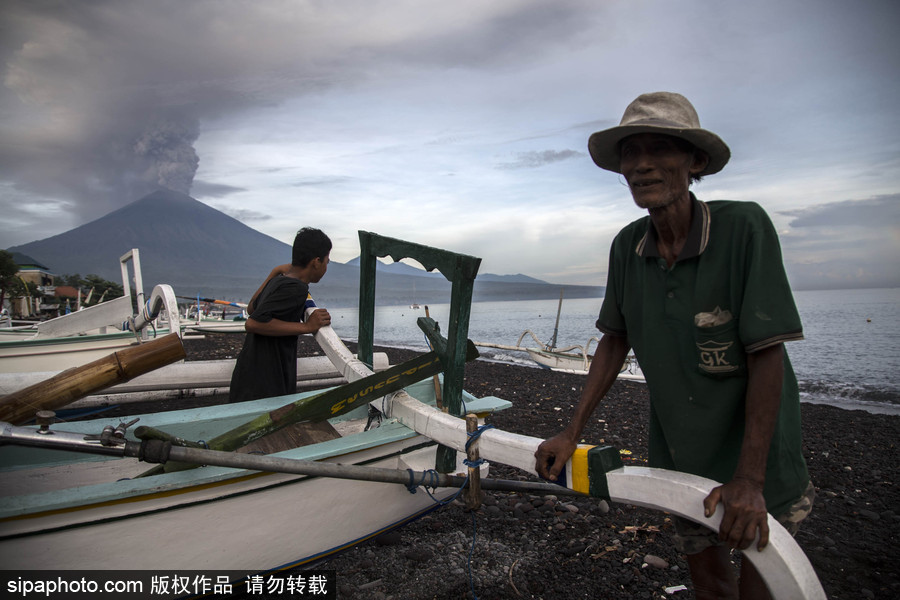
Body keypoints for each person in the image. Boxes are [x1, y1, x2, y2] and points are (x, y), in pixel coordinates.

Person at [534, 92, 813, 599]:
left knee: (764, 587)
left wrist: (750, 479)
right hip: (681, 451)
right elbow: (614, 342)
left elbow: (767, 352)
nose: (641, 165)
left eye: (659, 149)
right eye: (630, 152)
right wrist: (570, 432)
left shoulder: (744, 228)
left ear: (695, 161)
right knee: (708, 585)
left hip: (760, 460)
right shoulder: (627, 245)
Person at [229, 227, 332, 403]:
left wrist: (274, 272)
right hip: (265, 382)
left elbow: (252, 308)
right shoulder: (295, 288)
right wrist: (306, 326)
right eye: (326, 262)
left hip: (249, 375)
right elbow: (253, 323)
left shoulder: (280, 281)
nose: (326, 267)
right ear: (316, 261)